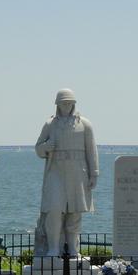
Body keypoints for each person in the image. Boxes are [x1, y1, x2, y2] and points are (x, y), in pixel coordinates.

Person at [34, 88, 99, 257]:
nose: (66, 106)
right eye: (63, 103)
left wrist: (94, 174)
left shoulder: (85, 124)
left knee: (74, 212)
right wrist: (46, 147)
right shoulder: (50, 124)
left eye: (70, 103)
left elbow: (91, 151)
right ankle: (53, 247)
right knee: (54, 209)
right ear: (57, 104)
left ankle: (72, 248)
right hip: (55, 172)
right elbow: (38, 149)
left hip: (78, 173)